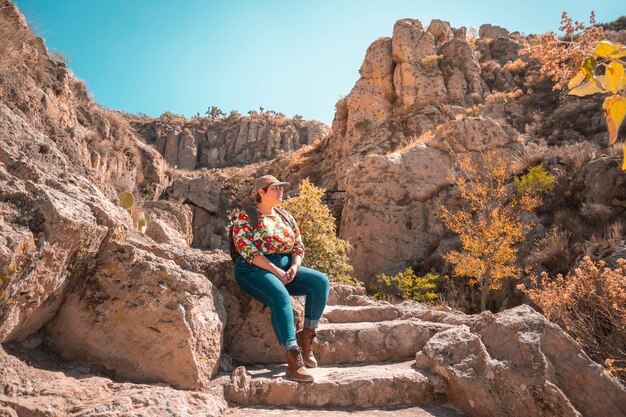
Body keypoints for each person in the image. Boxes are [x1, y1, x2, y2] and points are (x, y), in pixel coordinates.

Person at [231, 175, 330, 383]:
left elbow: (298, 245)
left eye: (281, 188)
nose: (280, 191)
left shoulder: (285, 216)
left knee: (320, 282)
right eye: (275, 189)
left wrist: (294, 266)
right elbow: (245, 248)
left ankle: (306, 337)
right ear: (261, 192)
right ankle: (293, 359)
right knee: (280, 295)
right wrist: (274, 269)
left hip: (286, 267)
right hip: (253, 269)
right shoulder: (246, 216)